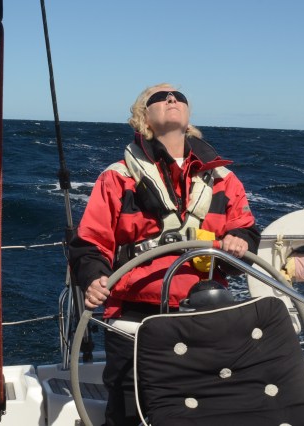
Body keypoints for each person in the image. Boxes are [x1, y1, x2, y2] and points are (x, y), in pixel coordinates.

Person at [68, 83, 261, 426]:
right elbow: (90, 242)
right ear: (143, 117)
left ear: (188, 115)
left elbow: (246, 234)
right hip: (133, 318)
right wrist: (94, 277)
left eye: (178, 97)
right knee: (128, 410)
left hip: (204, 315)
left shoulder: (224, 179)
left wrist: (240, 239)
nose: (172, 98)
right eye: (160, 97)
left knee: (204, 409)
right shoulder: (118, 178)